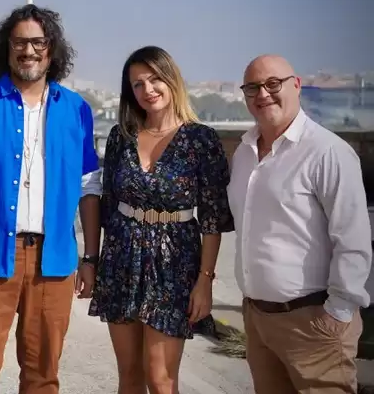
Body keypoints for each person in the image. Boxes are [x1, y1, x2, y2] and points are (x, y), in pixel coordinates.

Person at [0, 4, 102, 394]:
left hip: (54, 261)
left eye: (38, 42)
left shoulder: (76, 109)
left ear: (52, 48)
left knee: (43, 376)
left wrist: (90, 258)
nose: (29, 51)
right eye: (19, 42)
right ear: (6, 47)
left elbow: (89, 186)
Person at [88, 46, 234, 394]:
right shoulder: (120, 137)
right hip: (122, 261)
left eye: (155, 79)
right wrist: (92, 261)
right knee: (129, 377)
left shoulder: (201, 139)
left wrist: (205, 280)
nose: (148, 90)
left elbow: (212, 219)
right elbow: (108, 206)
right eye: (138, 84)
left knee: (161, 379)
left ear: (172, 80)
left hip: (174, 265)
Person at [229, 54, 372, 394]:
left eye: (272, 84)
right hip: (258, 319)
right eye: (252, 88)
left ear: (296, 86)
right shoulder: (244, 152)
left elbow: (353, 240)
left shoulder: (327, 152)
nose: (263, 94)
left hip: (313, 323)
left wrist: (337, 314)